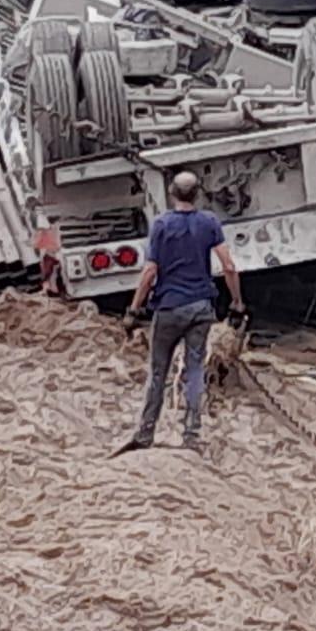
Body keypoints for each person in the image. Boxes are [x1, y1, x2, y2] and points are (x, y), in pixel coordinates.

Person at [124, 171, 245, 452]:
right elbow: (228, 266)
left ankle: (145, 434)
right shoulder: (210, 223)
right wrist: (237, 302)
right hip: (201, 308)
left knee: (157, 373)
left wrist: (133, 308)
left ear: (171, 194)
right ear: (199, 194)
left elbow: (150, 272)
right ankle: (191, 435)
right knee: (194, 370)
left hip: (167, 309)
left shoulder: (161, 225)